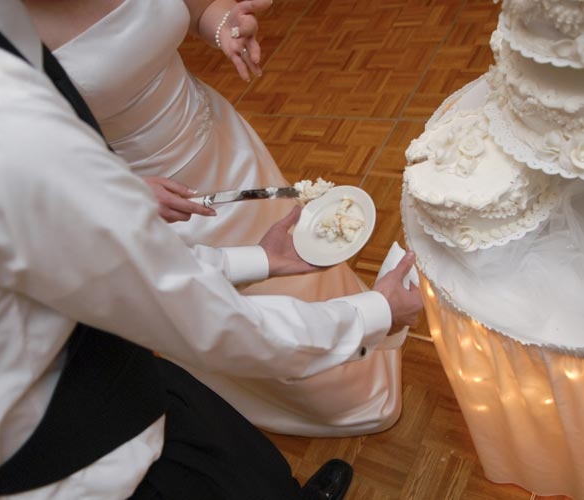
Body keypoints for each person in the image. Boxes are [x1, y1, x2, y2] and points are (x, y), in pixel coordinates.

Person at [0, 1, 423, 499]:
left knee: (254, 469)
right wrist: (375, 312)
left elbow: (123, 259)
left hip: (119, 367)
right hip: (84, 462)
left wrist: (259, 259)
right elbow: (203, 317)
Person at [22, 0, 409, 437]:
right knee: (239, 310)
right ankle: (329, 388)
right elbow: (23, 179)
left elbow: (194, 8)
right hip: (156, 201)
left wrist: (222, 23)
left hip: (222, 143)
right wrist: (112, 191)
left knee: (299, 260)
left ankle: (365, 324)